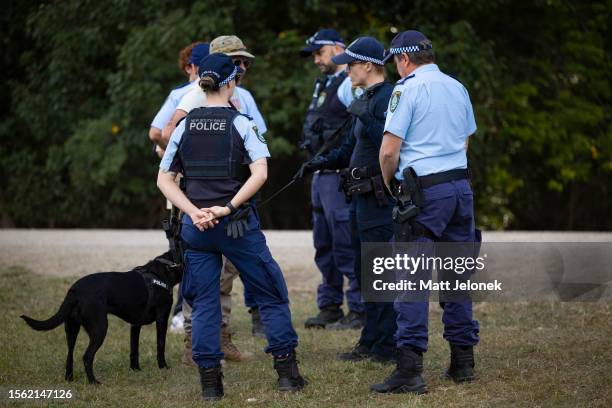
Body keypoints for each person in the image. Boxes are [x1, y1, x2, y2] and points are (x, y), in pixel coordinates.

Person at [157, 53, 305, 400]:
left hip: (198, 229)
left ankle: (211, 385)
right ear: (230, 83)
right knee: (270, 293)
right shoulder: (242, 123)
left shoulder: (184, 126)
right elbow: (261, 173)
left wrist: (194, 212)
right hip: (237, 225)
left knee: (205, 301)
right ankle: (287, 375)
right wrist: (226, 208)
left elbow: (164, 179)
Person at [370, 30, 480, 394]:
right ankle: (463, 363)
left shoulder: (407, 89)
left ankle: (409, 369)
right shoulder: (457, 86)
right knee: (457, 277)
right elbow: (465, 141)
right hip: (460, 188)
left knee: (411, 281)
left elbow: (389, 151)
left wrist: (390, 185)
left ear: (403, 60)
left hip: (424, 193)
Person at [297, 36, 398, 361]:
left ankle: (386, 346)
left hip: (378, 198)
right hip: (358, 198)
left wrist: (364, 115)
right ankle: (369, 339)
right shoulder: (365, 96)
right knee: (363, 269)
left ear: (368, 66)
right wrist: (319, 162)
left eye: (351, 65)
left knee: (379, 271)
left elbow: (388, 140)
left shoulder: (388, 97)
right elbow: (351, 150)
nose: (347, 71)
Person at [169, 35, 267, 365]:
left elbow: (258, 140)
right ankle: (194, 345)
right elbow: (172, 134)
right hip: (199, 202)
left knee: (226, 274)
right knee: (200, 277)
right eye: (236, 61)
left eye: (245, 62)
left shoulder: (242, 97)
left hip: (233, 201)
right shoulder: (198, 93)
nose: (242, 67)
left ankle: (220, 339)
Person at [298, 28, 364, 330]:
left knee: (346, 242)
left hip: (339, 177)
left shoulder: (350, 85)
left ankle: (360, 309)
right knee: (324, 243)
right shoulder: (322, 84)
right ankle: (330, 305)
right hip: (320, 175)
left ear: (338, 47)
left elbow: (365, 123)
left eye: (319, 52)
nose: (315, 59)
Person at [149, 42, 209, 335]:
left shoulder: (180, 95)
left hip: (184, 185)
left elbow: (157, 134)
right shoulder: (185, 95)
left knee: (186, 251)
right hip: (210, 187)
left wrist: (171, 156)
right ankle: (192, 319)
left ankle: (184, 316)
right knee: (195, 253)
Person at [149, 42, 209, 158]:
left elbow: (155, 133)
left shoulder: (179, 93)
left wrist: (175, 157)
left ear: (190, 67)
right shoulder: (228, 88)